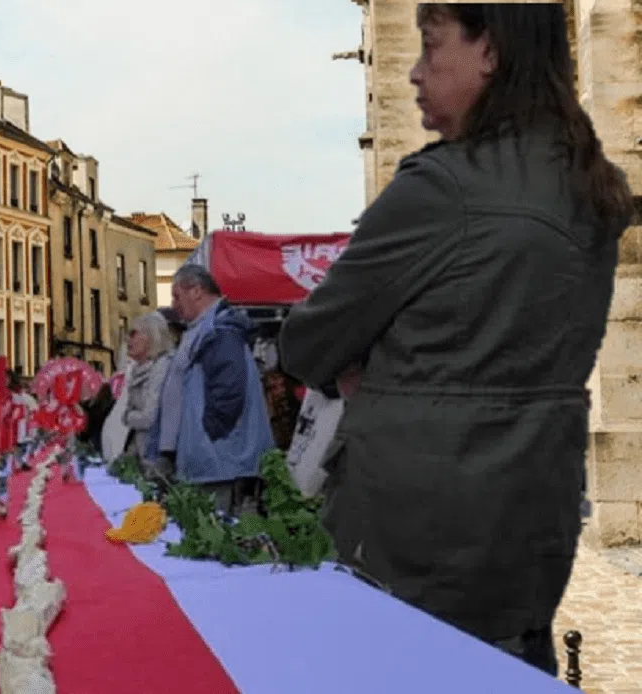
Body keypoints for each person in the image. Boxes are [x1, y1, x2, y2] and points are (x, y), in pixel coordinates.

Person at [278, 4, 630, 675]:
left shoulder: (445, 190)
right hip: (526, 540)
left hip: (416, 550)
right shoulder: (589, 186)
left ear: (490, 53)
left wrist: (369, 365)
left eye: (432, 48)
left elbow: (308, 344)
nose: (414, 72)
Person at [147, 265, 275, 514]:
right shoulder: (204, 330)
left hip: (219, 461)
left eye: (176, 295)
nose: (174, 304)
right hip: (210, 459)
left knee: (217, 530)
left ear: (196, 291)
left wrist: (206, 436)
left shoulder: (219, 332)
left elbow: (228, 394)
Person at [122, 311, 176, 471]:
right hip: (143, 454)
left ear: (151, 336)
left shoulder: (161, 368)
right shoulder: (138, 370)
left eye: (133, 333)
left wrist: (127, 416)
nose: (128, 340)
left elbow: (148, 418)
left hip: (156, 456)